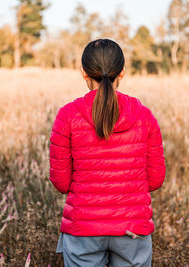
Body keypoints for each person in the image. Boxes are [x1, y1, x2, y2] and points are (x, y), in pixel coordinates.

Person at [49, 38, 166, 267]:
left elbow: (61, 183)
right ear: (121, 72)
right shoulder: (144, 116)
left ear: (83, 72)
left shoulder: (67, 116)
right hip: (132, 228)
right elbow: (155, 180)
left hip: (83, 228)